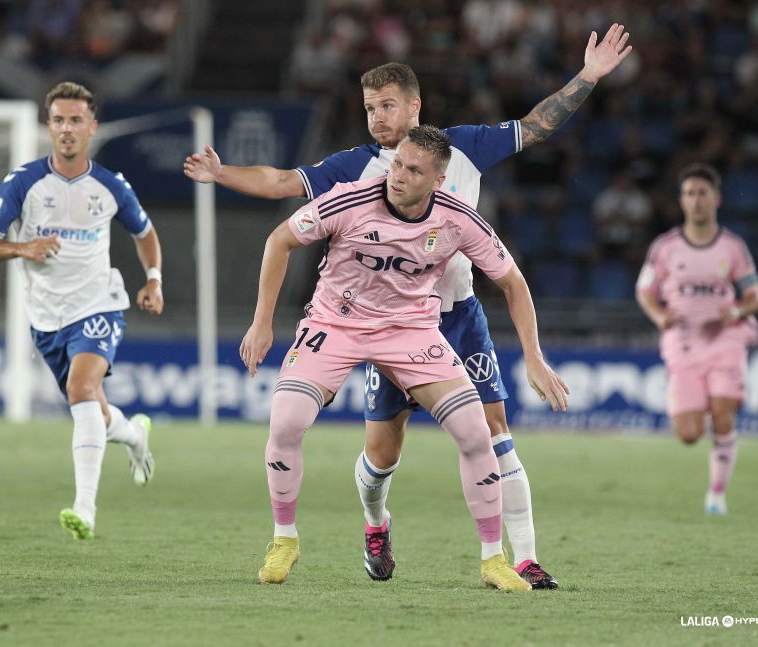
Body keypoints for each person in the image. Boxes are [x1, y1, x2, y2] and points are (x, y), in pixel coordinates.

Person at [186, 24, 632, 586]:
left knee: (490, 431)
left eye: (387, 105)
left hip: (451, 315)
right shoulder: (354, 171)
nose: (377, 118)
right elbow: (280, 185)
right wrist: (221, 173)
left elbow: (535, 127)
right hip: (365, 317)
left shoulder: (462, 149)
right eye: (370, 108)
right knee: (382, 452)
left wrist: (588, 76)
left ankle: (520, 558)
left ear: (415, 106)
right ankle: (375, 523)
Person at [243, 125, 568, 590]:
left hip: (409, 330)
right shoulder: (350, 199)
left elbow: (513, 282)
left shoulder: (457, 218)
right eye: (397, 163)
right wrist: (262, 323)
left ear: (438, 180)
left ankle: (494, 560)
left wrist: (534, 357)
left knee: (477, 432)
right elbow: (280, 240)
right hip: (336, 324)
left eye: (414, 170)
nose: (398, 175)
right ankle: (285, 540)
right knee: (286, 422)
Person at [0, 81, 164, 540]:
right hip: (46, 318)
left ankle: (85, 509)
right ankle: (134, 436)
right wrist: (24, 248)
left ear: (92, 127)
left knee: (82, 389)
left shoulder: (111, 186)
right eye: (58, 120)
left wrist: (154, 279)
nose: (66, 129)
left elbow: (144, 233)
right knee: (93, 410)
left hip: (98, 304)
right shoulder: (23, 182)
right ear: (49, 126)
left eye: (76, 120)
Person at [636, 163, 758, 515]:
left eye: (703, 193)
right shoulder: (665, 247)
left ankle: (716, 495)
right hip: (683, 341)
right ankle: (700, 399)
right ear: (682, 200)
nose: (696, 200)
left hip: (725, 339)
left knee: (723, 417)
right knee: (689, 434)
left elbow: (756, 296)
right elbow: (644, 291)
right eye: (690, 193)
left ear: (716, 198)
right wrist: (660, 316)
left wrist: (736, 311)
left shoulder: (733, 247)